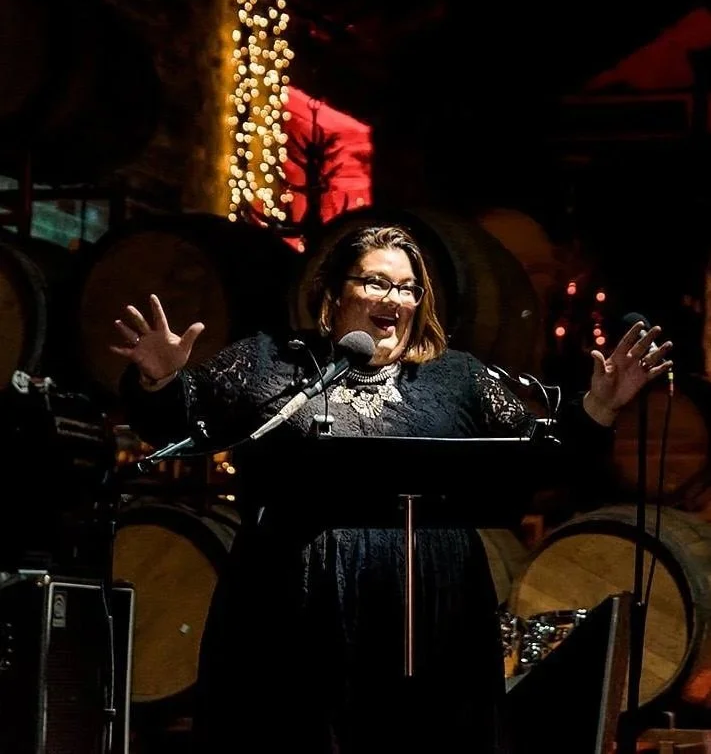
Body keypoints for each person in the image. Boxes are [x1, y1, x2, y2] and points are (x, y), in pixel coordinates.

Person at [113, 223, 672, 754]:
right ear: (334, 293)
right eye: (377, 282)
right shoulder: (272, 362)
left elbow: (539, 459)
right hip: (294, 598)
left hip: (431, 600)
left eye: (407, 287)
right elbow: (180, 425)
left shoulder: (456, 378)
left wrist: (598, 407)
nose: (395, 298)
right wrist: (159, 380)